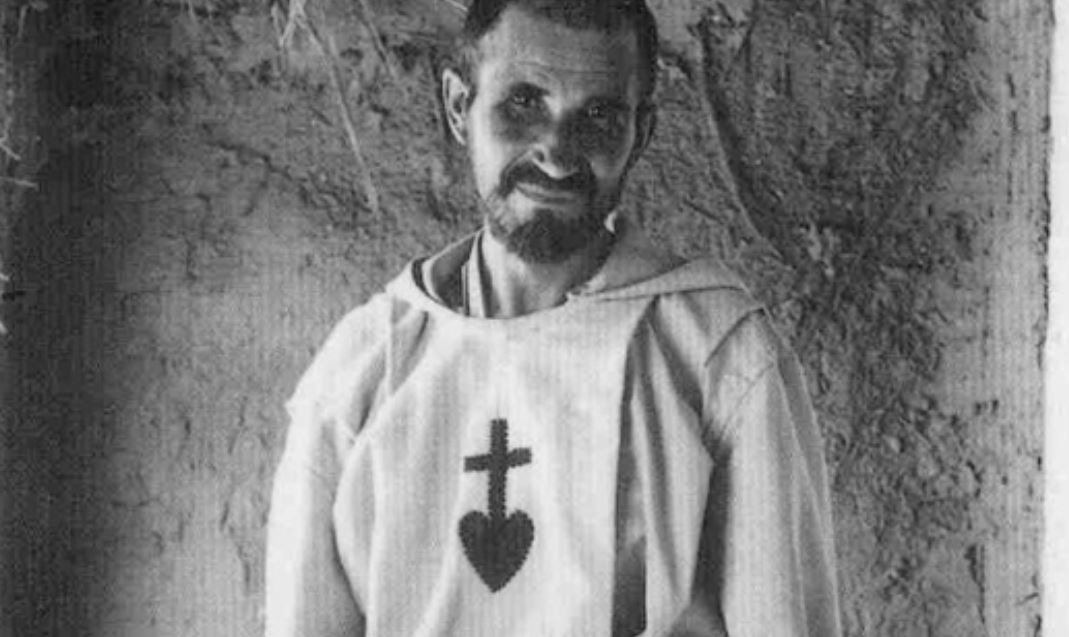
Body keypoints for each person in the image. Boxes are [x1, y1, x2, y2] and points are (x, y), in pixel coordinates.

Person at [265, 0, 841, 635]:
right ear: (459, 106)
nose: (558, 155)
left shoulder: (717, 355)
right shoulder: (360, 370)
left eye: (598, 117)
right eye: (523, 103)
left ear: (641, 133)